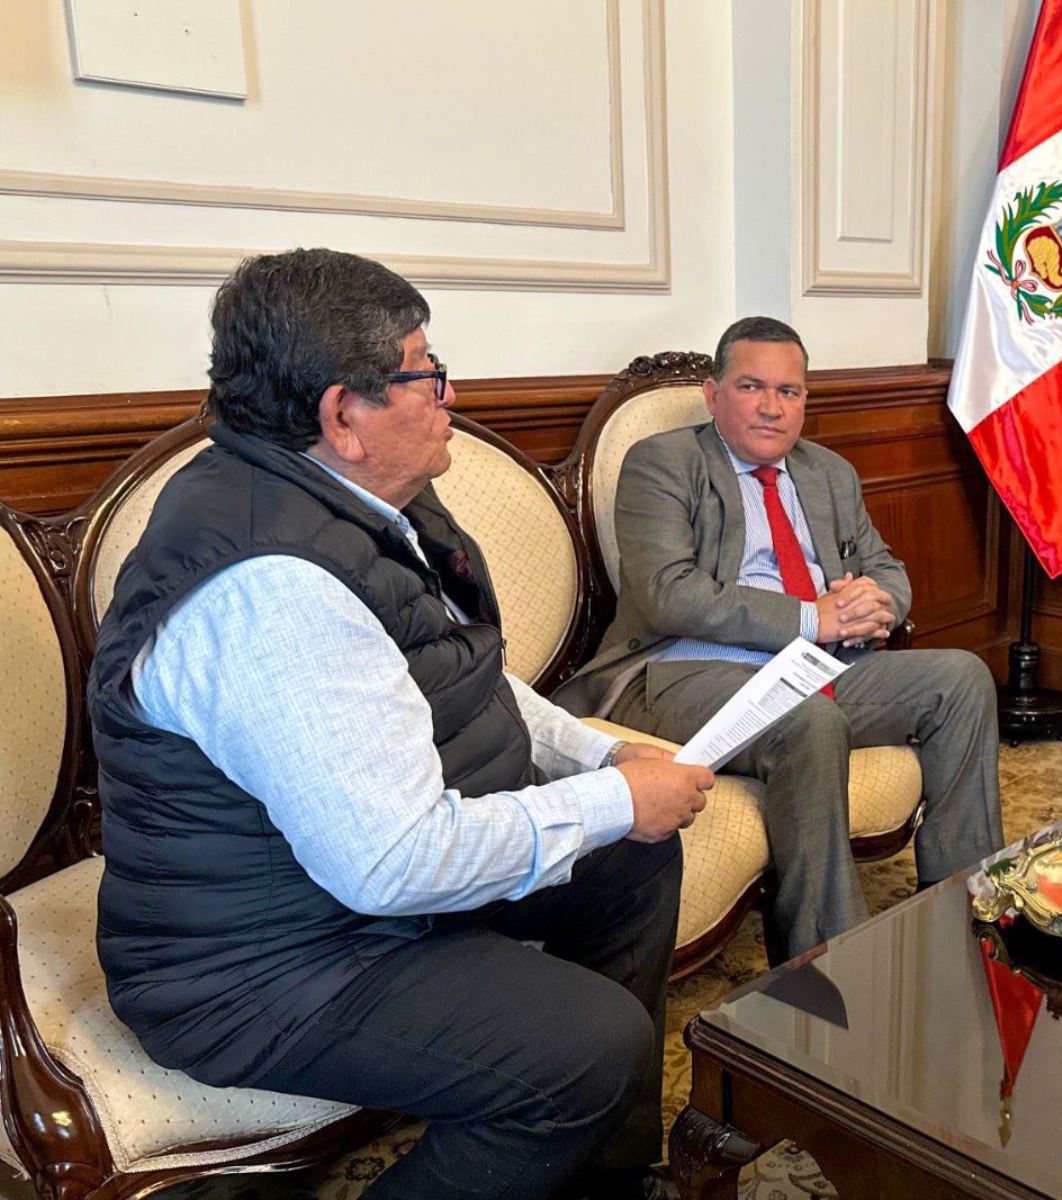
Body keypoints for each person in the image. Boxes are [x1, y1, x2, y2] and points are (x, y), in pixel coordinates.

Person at [89, 248, 715, 1200]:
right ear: (344, 415)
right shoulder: (275, 591)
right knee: (591, 1047)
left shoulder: (353, 498)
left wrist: (602, 760)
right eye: (427, 371)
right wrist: (611, 798)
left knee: (630, 858)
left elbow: (469, 679)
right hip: (258, 967)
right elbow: (391, 864)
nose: (450, 393)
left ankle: (597, 1171)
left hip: (338, 889)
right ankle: (563, 1113)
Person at [553, 316, 1005, 962]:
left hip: (817, 664)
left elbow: (888, 570)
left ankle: (964, 907)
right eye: (751, 387)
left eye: (789, 392)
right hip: (681, 672)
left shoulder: (828, 474)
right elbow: (666, 593)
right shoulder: (663, 463)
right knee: (809, 721)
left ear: (805, 401)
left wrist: (874, 603)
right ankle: (824, 960)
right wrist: (810, 618)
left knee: (961, 678)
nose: (771, 407)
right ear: (713, 395)